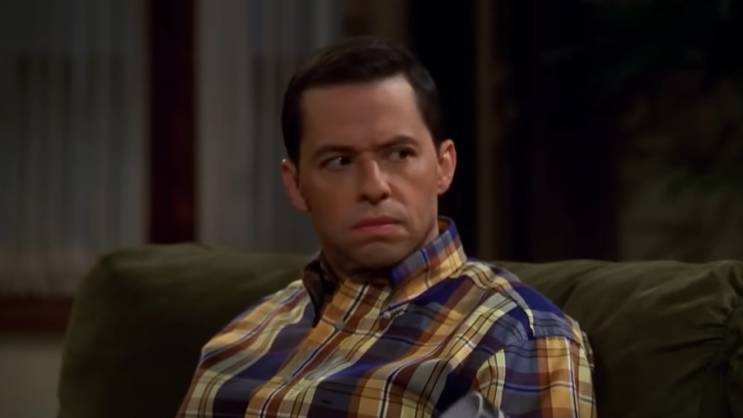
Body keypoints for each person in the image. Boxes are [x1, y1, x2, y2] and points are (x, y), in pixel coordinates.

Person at [177, 37, 595, 418]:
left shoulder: (515, 337)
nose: (374, 186)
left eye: (399, 153)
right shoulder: (240, 340)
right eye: (340, 161)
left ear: (444, 166)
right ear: (296, 184)